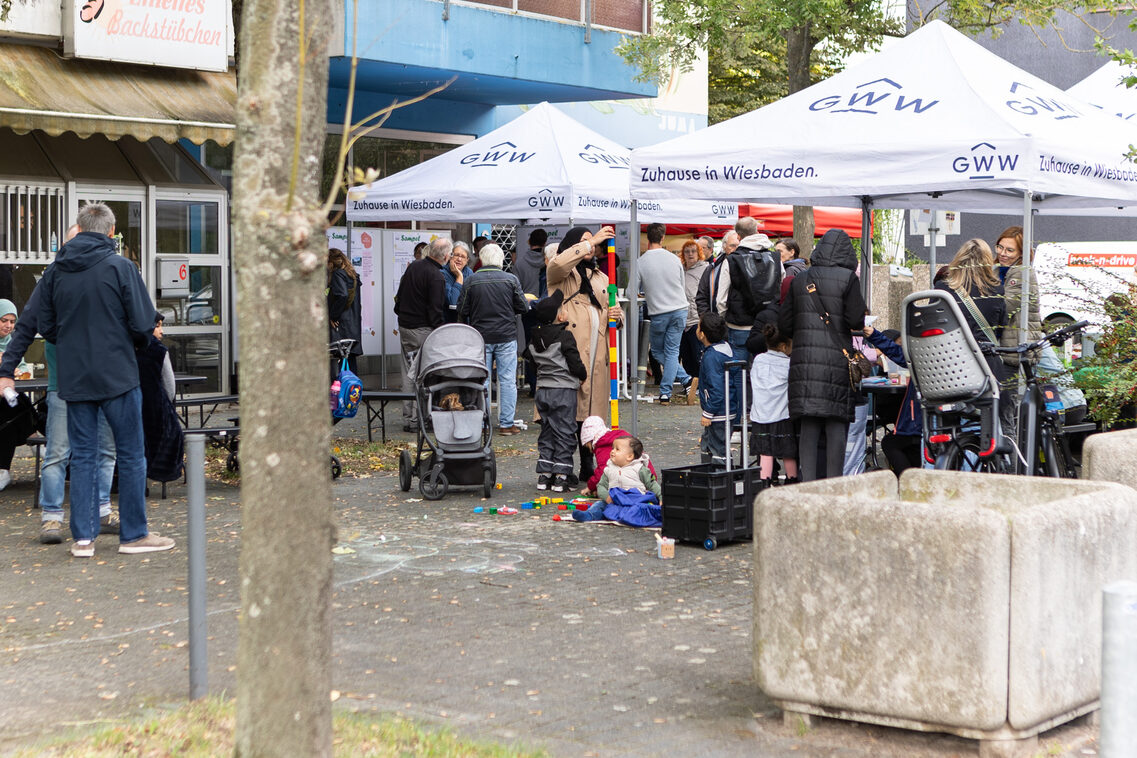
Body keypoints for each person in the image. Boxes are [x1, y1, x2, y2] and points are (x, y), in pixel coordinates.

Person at [37, 201, 174, 556]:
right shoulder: (121, 267)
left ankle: (83, 539)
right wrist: (131, 342)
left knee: (81, 456)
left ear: (80, 230)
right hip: (117, 375)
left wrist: (67, 343)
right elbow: (145, 322)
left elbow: (46, 324)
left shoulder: (57, 271)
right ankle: (134, 534)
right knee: (130, 454)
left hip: (76, 376)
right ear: (112, 232)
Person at [0, 227, 118, 543]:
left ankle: (103, 509)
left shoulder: (107, 272)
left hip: (104, 380)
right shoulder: (55, 276)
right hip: (64, 382)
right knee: (58, 452)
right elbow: (26, 326)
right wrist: (6, 369)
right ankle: (52, 518)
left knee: (105, 450)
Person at [778, 228, 867, 481]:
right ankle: (834, 487)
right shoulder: (848, 279)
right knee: (836, 425)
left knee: (808, 427)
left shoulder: (800, 279)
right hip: (837, 364)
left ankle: (808, 489)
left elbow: (784, 325)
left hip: (804, 366)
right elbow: (854, 319)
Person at [547, 225, 623, 484]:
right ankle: (561, 465)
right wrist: (592, 242)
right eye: (584, 242)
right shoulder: (561, 274)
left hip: (597, 352)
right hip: (571, 353)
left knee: (592, 413)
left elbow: (613, 307)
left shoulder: (602, 277)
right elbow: (557, 264)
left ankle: (588, 463)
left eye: (593, 243)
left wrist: (617, 316)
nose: (592, 246)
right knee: (568, 412)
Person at [457, 243, 529, 436]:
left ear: (481, 258)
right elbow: (523, 307)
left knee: (482, 380)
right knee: (507, 381)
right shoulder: (511, 280)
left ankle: (482, 424)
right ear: (501, 260)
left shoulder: (471, 281)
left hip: (480, 337)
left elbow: (462, 309)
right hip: (506, 336)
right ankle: (506, 424)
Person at [523, 290, 587, 491]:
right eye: (563, 308)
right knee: (565, 431)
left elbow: (531, 362)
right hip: (564, 391)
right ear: (560, 316)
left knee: (547, 430)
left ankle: (545, 474)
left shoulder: (533, 339)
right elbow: (574, 362)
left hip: (543, 391)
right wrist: (582, 375)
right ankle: (561, 475)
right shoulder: (565, 337)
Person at [394, 236, 450, 431]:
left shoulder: (414, 267)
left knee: (407, 374)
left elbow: (398, 300)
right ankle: (418, 420)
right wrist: (441, 330)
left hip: (405, 326)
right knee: (422, 376)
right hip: (423, 330)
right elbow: (435, 311)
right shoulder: (436, 276)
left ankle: (407, 418)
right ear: (445, 256)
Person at [935, 239, 1007, 385]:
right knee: (996, 404)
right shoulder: (997, 290)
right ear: (988, 262)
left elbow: (935, 324)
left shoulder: (942, 288)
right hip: (986, 363)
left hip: (952, 362)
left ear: (958, 259)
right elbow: (1001, 327)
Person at [639, 223, 694, 405]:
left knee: (657, 351)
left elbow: (632, 291)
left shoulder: (641, 262)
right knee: (672, 352)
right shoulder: (674, 259)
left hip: (659, 312)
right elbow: (680, 283)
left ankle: (668, 391)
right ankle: (683, 382)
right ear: (663, 238)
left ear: (648, 238)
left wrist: (647, 294)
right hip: (680, 309)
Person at [711, 221, 782, 360]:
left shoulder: (731, 260)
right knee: (765, 367)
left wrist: (726, 318)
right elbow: (781, 287)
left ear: (738, 236)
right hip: (769, 324)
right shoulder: (775, 258)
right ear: (756, 231)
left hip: (739, 324)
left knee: (739, 369)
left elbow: (721, 299)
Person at [863, 326, 923, 474]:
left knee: (891, 443)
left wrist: (874, 335)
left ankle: (908, 481)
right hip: (927, 420)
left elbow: (896, 351)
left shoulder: (918, 354)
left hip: (917, 421)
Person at [749, 322, 798, 487]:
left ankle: (764, 483)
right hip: (782, 415)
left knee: (766, 452)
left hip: (760, 415)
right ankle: (792, 480)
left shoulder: (758, 360)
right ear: (784, 346)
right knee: (788, 453)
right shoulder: (789, 364)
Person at [137, 314, 183, 484]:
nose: (162, 331)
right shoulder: (159, 351)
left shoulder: (129, 347)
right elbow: (170, 387)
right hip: (155, 409)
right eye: (158, 326)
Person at [572, 435, 661, 522]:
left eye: (617, 449)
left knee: (644, 508)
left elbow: (652, 485)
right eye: (612, 448)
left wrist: (661, 498)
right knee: (600, 505)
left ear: (629, 456)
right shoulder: (609, 469)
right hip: (615, 501)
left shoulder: (639, 469)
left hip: (634, 501)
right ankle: (589, 515)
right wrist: (607, 497)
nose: (612, 451)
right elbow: (601, 486)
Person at [697, 311, 743, 464]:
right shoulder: (726, 348)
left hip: (718, 412)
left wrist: (708, 413)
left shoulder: (711, 357)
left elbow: (717, 388)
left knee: (718, 450)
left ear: (702, 334)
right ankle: (711, 474)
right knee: (711, 443)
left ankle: (720, 479)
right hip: (729, 408)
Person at [994, 225, 1043, 368]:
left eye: (1010, 250)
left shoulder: (1022, 272)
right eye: (1000, 247)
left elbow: (1006, 307)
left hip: (1019, 345)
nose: (1003, 253)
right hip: (1011, 344)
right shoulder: (999, 269)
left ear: (1022, 253)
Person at [579, 414, 659, 498]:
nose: (613, 451)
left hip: (633, 486)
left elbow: (601, 471)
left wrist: (590, 486)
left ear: (590, 441)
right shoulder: (620, 439)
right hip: (648, 478)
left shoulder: (602, 447)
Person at [327, 248, 363, 373]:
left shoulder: (337, 275)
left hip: (342, 325)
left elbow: (342, 295)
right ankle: (353, 391)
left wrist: (333, 316)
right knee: (350, 361)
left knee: (341, 361)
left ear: (331, 263)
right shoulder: (352, 275)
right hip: (352, 324)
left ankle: (343, 391)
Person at [680, 239, 709, 382]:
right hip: (681, 318)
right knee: (686, 355)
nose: (690, 254)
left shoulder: (705, 268)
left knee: (698, 354)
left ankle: (701, 384)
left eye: (693, 251)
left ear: (699, 253)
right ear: (683, 254)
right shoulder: (680, 268)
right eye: (687, 251)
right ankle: (691, 386)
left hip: (696, 319)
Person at [695, 230, 738, 317]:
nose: (736, 249)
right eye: (732, 246)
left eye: (739, 246)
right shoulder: (712, 269)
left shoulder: (749, 267)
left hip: (738, 324)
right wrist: (707, 319)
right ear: (724, 247)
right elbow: (701, 297)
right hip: (716, 323)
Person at [441, 241, 473, 323]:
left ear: (467, 260)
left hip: (466, 322)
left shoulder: (469, 273)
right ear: (450, 256)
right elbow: (453, 303)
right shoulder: (442, 273)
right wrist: (459, 277)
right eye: (457, 255)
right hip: (447, 321)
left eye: (463, 257)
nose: (459, 259)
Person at [776, 238, 807, 303]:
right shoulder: (801, 266)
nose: (776, 254)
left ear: (792, 252)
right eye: (775, 251)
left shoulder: (790, 270)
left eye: (780, 251)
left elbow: (785, 296)